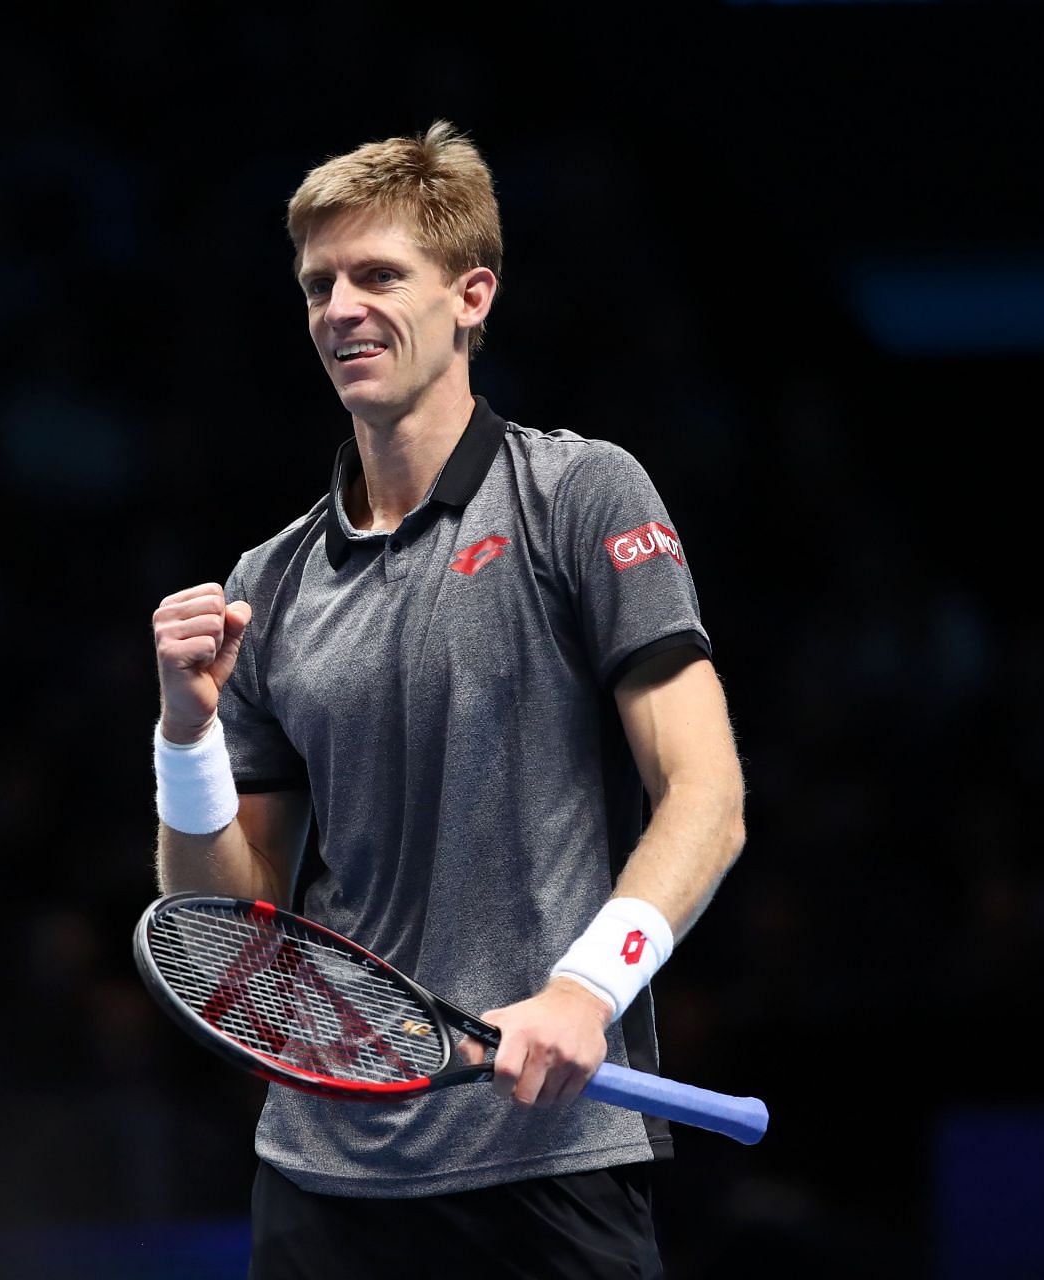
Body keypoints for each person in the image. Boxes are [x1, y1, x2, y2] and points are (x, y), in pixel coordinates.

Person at [149, 121, 747, 1278]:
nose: (339, 308)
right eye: (319, 283)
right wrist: (185, 732)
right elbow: (232, 932)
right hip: (323, 1172)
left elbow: (708, 792)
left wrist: (587, 988)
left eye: (378, 274)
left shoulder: (578, 491)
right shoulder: (267, 581)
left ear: (473, 295)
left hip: (545, 1155)